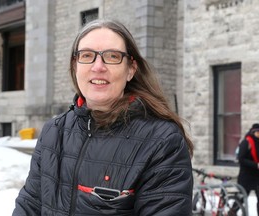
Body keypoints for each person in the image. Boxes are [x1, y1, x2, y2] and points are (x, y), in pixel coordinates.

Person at [13, 19, 194, 216]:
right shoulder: (53, 132)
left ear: (131, 69)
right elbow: (29, 206)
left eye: (112, 56)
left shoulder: (162, 141)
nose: (98, 66)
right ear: (75, 65)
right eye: (87, 55)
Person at [237, 123, 259, 215]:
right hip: (246, 176)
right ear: (253, 132)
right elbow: (241, 159)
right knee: (241, 198)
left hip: (257, 177)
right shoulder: (246, 142)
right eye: (258, 132)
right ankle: (232, 211)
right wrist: (256, 165)